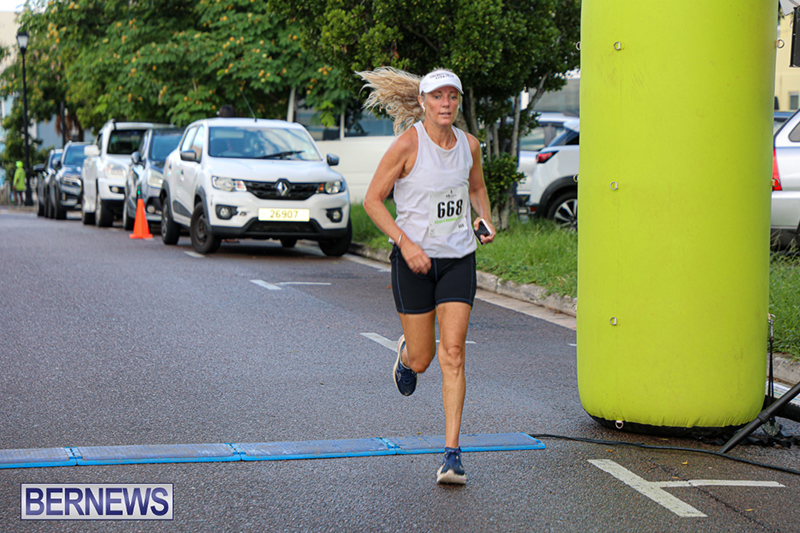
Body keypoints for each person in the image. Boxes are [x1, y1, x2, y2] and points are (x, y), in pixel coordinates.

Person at [360, 67, 495, 485]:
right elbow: (372, 200)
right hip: (413, 263)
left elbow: (476, 187)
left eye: (452, 97)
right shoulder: (407, 145)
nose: (445, 104)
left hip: (457, 259)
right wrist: (406, 243)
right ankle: (405, 355)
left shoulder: (469, 145)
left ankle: (452, 455)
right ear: (422, 103)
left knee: (453, 353)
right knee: (424, 359)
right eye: (437, 97)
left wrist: (484, 217)